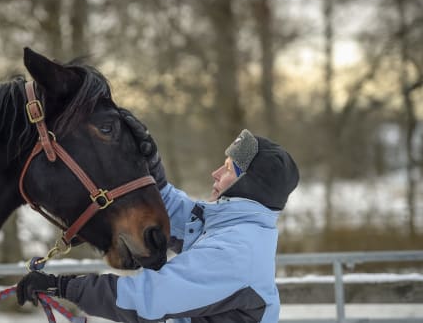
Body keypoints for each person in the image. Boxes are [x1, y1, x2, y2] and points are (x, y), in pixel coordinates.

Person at [16, 111, 299, 323]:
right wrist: (149, 165)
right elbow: (175, 212)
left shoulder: (236, 251)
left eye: (227, 168)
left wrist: (63, 286)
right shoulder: (228, 227)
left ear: (248, 184)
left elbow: (147, 299)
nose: (215, 173)